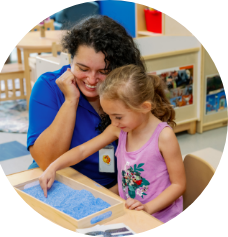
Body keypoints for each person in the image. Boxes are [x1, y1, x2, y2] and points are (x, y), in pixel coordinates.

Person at [39, 64, 186, 224]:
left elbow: (178, 185)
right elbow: (82, 150)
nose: (114, 122)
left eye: (118, 116)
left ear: (144, 107)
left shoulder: (164, 137)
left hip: (159, 217)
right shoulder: (119, 130)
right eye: (109, 116)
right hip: (130, 213)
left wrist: (147, 208)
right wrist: (53, 166)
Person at [27, 15, 146, 195]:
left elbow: (146, 160)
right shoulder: (48, 86)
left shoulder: (129, 91)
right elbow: (46, 161)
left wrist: (110, 196)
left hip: (112, 189)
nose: (91, 80)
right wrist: (70, 101)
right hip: (56, 183)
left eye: (103, 72)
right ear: (70, 60)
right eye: (83, 69)